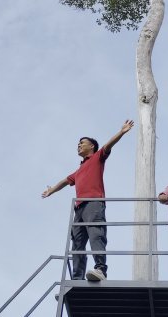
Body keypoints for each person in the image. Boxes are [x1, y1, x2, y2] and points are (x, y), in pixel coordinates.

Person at [42, 119, 134, 281]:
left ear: (91, 146)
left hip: (93, 203)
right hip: (79, 208)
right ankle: (76, 278)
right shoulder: (78, 171)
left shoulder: (98, 157)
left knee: (96, 235)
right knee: (77, 244)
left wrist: (122, 131)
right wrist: (51, 191)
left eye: (82, 143)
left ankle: (100, 269)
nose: (79, 145)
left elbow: (108, 145)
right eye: (78, 143)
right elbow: (65, 181)